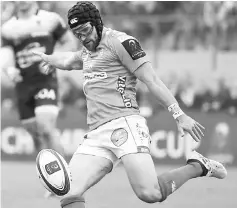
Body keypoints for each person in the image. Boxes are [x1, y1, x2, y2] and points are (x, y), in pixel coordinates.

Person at [33, 1, 227, 207]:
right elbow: (68, 60)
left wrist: (179, 115)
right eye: (77, 34)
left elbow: (152, 81)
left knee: (149, 193)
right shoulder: (86, 52)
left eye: (86, 31)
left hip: (125, 125)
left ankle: (198, 166)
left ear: (97, 23)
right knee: (69, 192)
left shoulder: (121, 43)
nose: (83, 38)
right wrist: (48, 58)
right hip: (97, 134)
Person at [1, 1, 76, 156]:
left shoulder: (51, 19)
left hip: (46, 81)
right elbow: (6, 56)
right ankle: (48, 174)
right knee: (35, 134)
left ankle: (67, 174)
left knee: (46, 128)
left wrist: (54, 59)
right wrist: (9, 70)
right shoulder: (7, 28)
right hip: (22, 85)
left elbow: (70, 43)